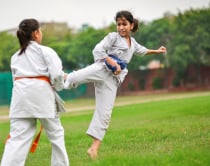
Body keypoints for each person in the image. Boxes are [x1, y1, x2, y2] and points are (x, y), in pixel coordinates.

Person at [64, 10, 167, 160]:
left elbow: (143, 51)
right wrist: (110, 61)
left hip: (113, 80)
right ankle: (58, 78)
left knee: (105, 113)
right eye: (118, 24)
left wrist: (157, 51)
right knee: (76, 77)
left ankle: (93, 149)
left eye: (124, 24)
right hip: (102, 69)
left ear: (131, 25)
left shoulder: (133, 44)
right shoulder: (113, 37)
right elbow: (98, 49)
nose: (121, 27)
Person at [0, 18, 69, 166]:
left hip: (20, 99)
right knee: (56, 134)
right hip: (41, 95)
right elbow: (57, 75)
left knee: (17, 138)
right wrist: (59, 86)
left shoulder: (15, 57)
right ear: (36, 33)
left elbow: (16, 80)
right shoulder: (46, 51)